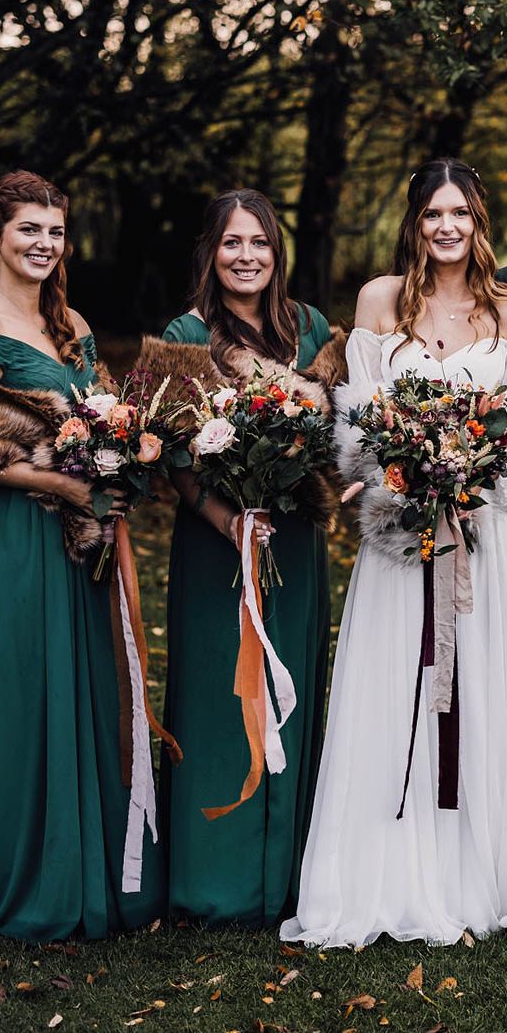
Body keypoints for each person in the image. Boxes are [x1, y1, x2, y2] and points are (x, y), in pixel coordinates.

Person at [281, 158, 507, 948]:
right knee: (395, 686)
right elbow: (356, 424)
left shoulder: (505, 307)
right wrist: (402, 475)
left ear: (480, 222)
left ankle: (470, 869)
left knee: (478, 688)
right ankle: (384, 874)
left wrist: (473, 473)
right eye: (433, 214)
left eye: (463, 214)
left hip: (485, 528)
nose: (448, 227)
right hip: (398, 534)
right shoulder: (382, 299)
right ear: (414, 223)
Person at [0, 170, 164, 942]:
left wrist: (125, 451)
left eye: (54, 231)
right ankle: (32, 881)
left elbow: (106, 407)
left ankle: (93, 869)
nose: (44, 244)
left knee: (88, 687)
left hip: (82, 541)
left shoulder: (72, 324)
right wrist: (69, 485)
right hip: (14, 536)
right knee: (26, 692)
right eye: (28, 230)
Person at [159, 189, 332, 926]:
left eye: (258, 243)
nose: (246, 256)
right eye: (232, 243)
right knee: (218, 699)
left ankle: (288, 875)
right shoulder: (187, 332)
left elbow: (333, 432)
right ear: (212, 251)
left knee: (292, 693)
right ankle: (214, 880)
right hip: (217, 549)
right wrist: (228, 519)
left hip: (293, 540)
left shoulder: (314, 329)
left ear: (276, 252)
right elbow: (174, 454)